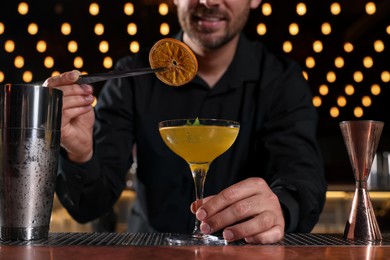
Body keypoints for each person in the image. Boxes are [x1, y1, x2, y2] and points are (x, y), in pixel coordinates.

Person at [46, 0, 327, 244]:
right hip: (151, 252)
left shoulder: (281, 81)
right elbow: (89, 206)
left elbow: (302, 176)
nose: (208, 1)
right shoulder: (131, 78)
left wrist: (280, 207)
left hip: (245, 251)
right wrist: (80, 154)